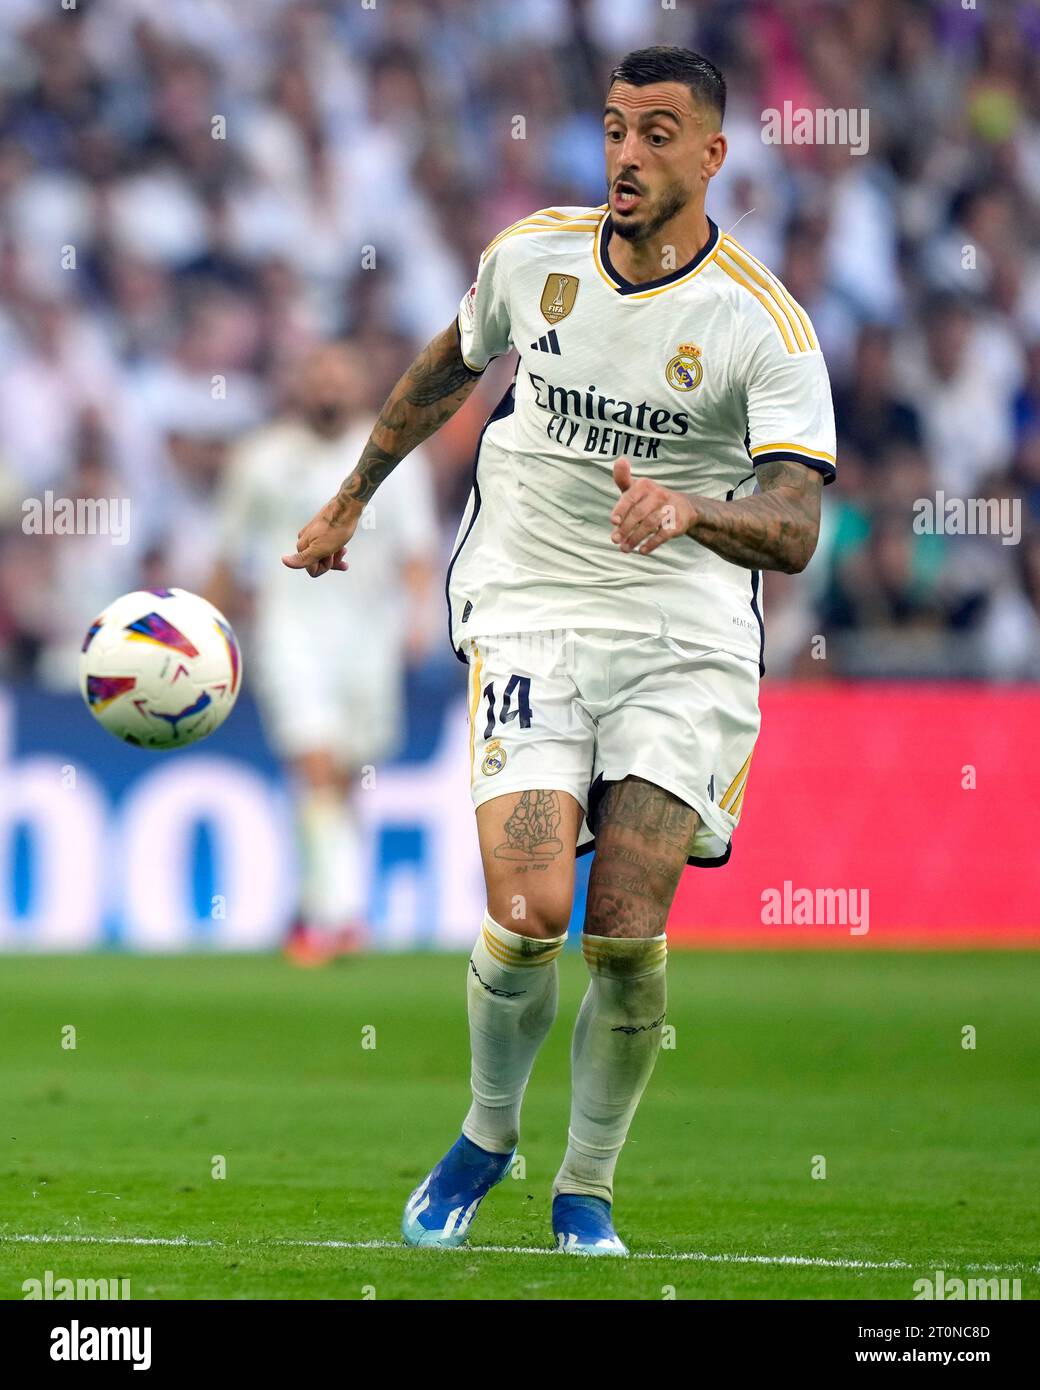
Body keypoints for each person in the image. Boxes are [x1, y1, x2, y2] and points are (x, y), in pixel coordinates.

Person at [283, 47, 836, 1252]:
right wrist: (349, 500)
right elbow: (448, 364)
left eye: (654, 133)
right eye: (611, 129)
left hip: (683, 629)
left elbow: (792, 529)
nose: (626, 155)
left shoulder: (763, 327)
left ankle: (584, 1184)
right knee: (530, 912)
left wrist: (694, 509)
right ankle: (488, 1133)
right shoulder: (531, 256)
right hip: (531, 600)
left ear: (710, 155)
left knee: (626, 934)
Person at [211, 342, 438, 964]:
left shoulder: (395, 457)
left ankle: (325, 907)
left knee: (345, 777)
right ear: (302, 385)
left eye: (342, 375)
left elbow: (417, 549)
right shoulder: (262, 457)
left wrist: (420, 617)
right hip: (290, 630)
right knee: (312, 763)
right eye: (319, 375)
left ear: (362, 385)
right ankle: (330, 916)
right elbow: (229, 555)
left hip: (370, 633)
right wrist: (205, 627)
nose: (330, 387)